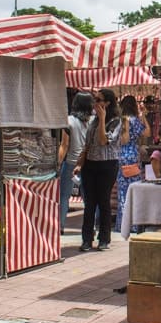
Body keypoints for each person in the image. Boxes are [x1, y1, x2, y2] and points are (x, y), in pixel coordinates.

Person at [78, 88, 122, 252]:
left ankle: (104, 238)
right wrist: (80, 163)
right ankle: (86, 239)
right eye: (94, 100)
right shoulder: (91, 121)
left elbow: (104, 141)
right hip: (90, 164)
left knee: (103, 201)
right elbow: (87, 144)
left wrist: (103, 119)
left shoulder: (116, 121)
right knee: (89, 203)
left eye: (98, 100)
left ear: (107, 103)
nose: (95, 103)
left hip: (107, 164)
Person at [58, 92, 94, 234]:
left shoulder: (68, 121)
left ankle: (60, 226)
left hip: (71, 163)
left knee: (64, 196)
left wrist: (58, 162)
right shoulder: (93, 120)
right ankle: (90, 228)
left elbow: (64, 145)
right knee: (89, 198)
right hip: (89, 163)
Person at [115, 95, 151, 232]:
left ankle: (123, 225)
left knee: (124, 193)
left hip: (123, 156)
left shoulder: (124, 120)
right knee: (134, 190)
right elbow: (147, 133)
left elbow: (124, 140)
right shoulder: (136, 120)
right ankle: (135, 225)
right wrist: (143, 117)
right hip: (134, 157)